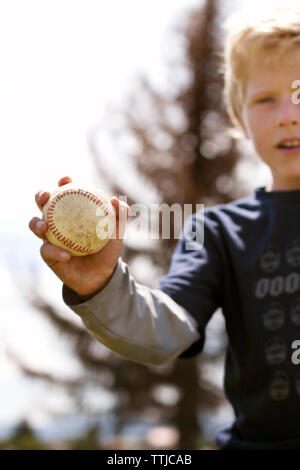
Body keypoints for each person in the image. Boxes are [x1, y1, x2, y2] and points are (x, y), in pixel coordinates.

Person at [29, 6, 300, 450]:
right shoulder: (217, 233)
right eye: (265, 98)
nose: (288, 114)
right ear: (240, 117)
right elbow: (167, 331)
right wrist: (103, 287)